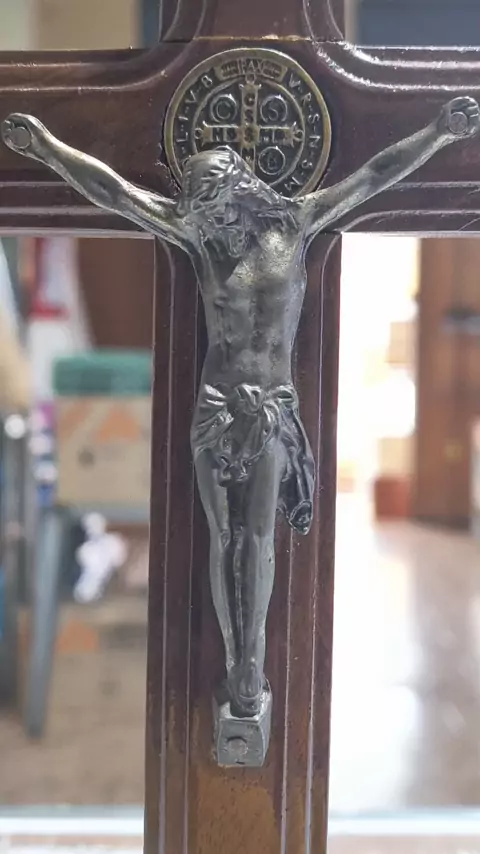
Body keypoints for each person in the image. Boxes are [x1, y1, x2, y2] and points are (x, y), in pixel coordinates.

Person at [3, 96, 478, 716]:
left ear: (238, 189)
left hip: (271, 405)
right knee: (221, 536)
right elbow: (115, 192)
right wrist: (44, 149)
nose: (206, 218)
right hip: (216, 404)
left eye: (213, 205)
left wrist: (438, 132)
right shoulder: (201, 237)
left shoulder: (297, 221)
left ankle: (249, 666)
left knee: (256, 536)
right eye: (199, 209)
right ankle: (237, 659)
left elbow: (374, 175)